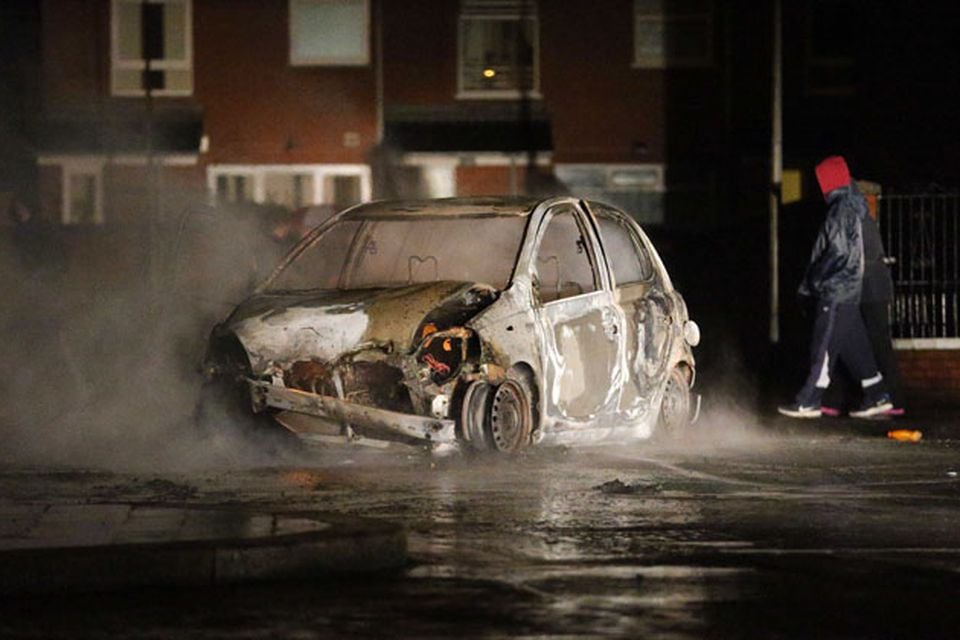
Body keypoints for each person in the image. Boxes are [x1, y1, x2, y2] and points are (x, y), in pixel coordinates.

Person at [778, 156, 892, 419]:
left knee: (823, 345)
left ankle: (809, 401)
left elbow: (837, 252)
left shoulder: (841, 209)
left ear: (828, 181)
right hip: (848, 289)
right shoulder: (852, 205)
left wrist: (816, 280)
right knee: (856, 347)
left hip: (836, 289)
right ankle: (878, 395)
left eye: (820, 180)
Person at [821, 183, 903, 417]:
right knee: (851, 339)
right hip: (865, 284)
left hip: (867, 285)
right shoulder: (858, 210)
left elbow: (850, 252)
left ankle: (888, 399)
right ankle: (841, 398)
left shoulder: (848, 210)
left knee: (869, 342)